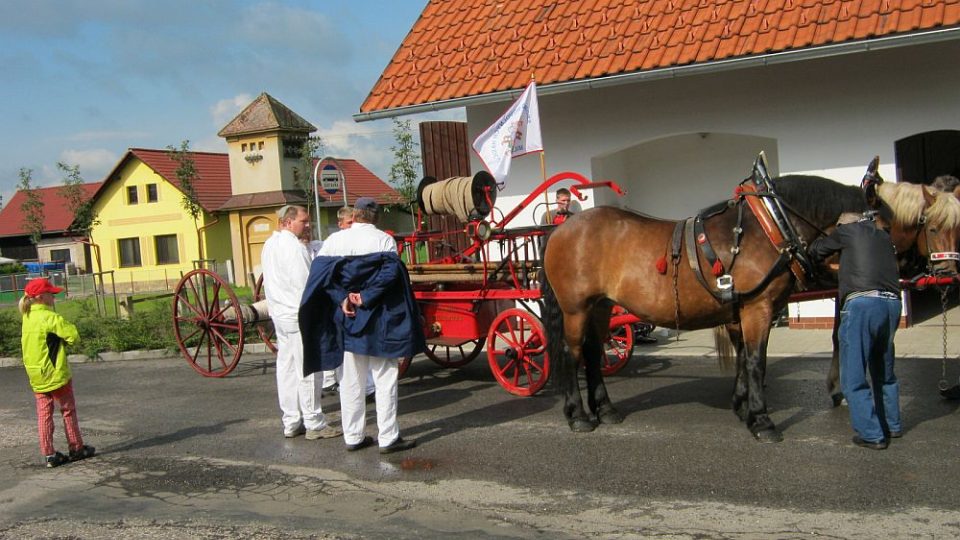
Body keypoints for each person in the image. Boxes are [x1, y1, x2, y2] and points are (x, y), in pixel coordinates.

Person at [302, 196, 424, 454]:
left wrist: (344, 298)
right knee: (384, 378)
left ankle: (354, 436)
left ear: (354, 215)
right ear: (375, 217)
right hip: (381, 319)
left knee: (351, 381)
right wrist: (366, 296)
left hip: (349, 319)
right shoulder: (383, 240)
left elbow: (322, 279)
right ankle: (389, 437)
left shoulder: (334, 241)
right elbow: (390, 275)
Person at [809, 212, 903, 450]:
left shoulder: (846, 230)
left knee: (852, 377)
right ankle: (892, 425)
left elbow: (816, 250)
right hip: (891, 304)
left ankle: (871, 435)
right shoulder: (883, 238)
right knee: (884, 371)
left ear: (844, 225)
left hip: (861, 306)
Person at [261, 205, 342, 441]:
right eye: (303, 221)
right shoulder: (294, 248)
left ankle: (291, 420)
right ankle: (314, 422)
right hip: (298, 315)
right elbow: (306, 284)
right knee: (309, 370)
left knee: (286, 369)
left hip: (281, 315)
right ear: (287, 222)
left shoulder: (269, 245)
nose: (307, 225)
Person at [19, 277, 95, 468]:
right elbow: (73, 335)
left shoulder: (27, 317)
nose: (54, 297)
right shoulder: (50, 317)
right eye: (51, 294)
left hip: (36, 374)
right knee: (68, 410)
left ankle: (49, 454)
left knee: (44, 414)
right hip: (56, 373)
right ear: (41, 297)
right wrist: (65, 342)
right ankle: (76, 448)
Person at [319, 205, 376, 401]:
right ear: (341, 224)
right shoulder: (333, 242)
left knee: (357, 352)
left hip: (355, 299)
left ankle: (365, 388)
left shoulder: (363, 240)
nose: (354, 226)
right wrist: (342, 296)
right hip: (339, 300)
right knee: (347, 352)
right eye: (350, 223)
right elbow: (324, 275)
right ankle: (333, 381)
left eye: (355, 222)